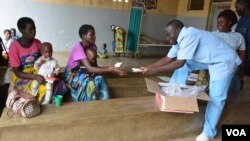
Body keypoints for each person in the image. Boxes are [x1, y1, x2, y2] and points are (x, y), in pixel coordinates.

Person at [140, 20, 241, 141]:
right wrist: (150, 67)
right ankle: (172, 92)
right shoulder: (178, 40)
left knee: (217, 97)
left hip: (223, 61)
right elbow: (169, 58)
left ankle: (208, 133)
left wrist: (157, 71)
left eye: (169, 34)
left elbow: (179, 62)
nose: (167, 38)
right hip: (210, 59)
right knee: (187, 64)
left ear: (178, 30)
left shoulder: (189, 35)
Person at [8, 17, 67, 103]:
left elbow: (44, 59)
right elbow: (17, 72)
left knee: (54, 83)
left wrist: (53, 70)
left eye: (34, 28)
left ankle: (46, 100)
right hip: (22, 74)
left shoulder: (37, 43)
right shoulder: (14, 47)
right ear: (21, 30)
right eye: (30, 29)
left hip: (37, 70)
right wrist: (34, 77)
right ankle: (41, 101)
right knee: (41, 88)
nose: (33, 31)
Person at [65, 24, 126, 102]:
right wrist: (110, 69)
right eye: (91, 35)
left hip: (84, 70)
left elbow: (95, 67)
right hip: (72, 73)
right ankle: (87, 103)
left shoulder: (93, 46)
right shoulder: (78, 48)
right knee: (87, 82)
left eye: (95, 34)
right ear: (83, 36)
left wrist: (113, 70)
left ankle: (104, 102)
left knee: (100, 79)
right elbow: (90, 69)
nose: (94, 36)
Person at [212, 9, 246, 92]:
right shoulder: (212, 35)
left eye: (221, 22)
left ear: (229, 22)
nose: (218, 24)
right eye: (218, 22)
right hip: (214, 67)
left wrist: (241, 69)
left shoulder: (238, 36)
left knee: (231, 91)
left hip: (231, 69)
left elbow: (242, 53)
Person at [235, 0, 250, 76]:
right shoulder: (241, 19)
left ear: (244, 5)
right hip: (240, 58)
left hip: (247, 61)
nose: (236, 10)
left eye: (237, 7)